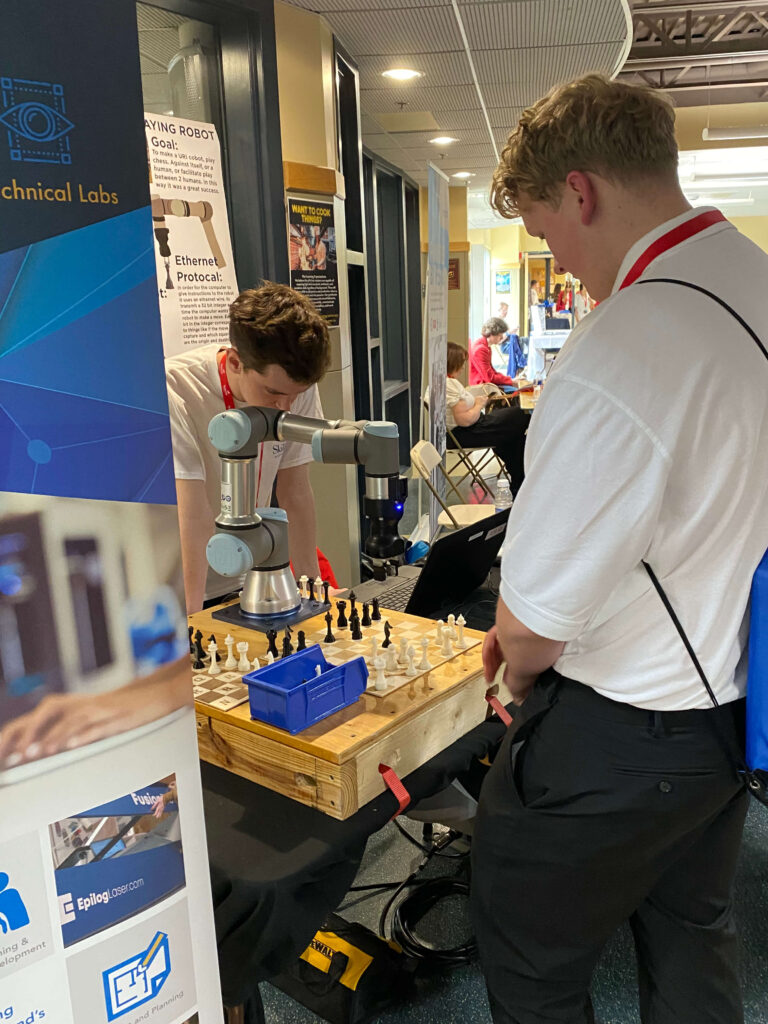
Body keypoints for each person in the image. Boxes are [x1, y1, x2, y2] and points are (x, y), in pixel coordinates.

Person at [471, 73, 768, 1023]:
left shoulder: (622, 346)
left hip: (619, 737)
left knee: (530, 967)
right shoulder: (755, 280)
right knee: (693, 945)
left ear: (582, 191)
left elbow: (533, 628)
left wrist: (512, 672)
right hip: (737, 711)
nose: (556, 255)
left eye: (543, 225)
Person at [166, 283, 330, 613]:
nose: (285, 406)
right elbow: (192, 519)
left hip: (253, 578)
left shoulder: (293, 386)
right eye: (273, 394)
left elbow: (295, 493)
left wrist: (314, 594)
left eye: (295, 395)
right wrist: (194, 625)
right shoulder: (174, 389)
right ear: (237, 362)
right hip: (191, 588)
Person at [441, 342, 527, 495]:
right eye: (460, 363)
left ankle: (519, 481)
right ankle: (520, 480)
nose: (462, 368)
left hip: (468, 429)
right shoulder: (449, 385)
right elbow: (465, 420)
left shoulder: (445, 383)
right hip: (465, 433)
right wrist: (479, 404)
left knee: (512, 434)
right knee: (520, 416)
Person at [469, 317, 519, 389]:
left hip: (485, 383)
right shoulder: (480, 349)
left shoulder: (486, 346)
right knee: (516, 391)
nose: (502, 337)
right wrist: (511, 381)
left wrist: (510, 380)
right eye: (499, 334)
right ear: (491, 333)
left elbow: (492, 373)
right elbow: (490, 377)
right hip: (481, 386)